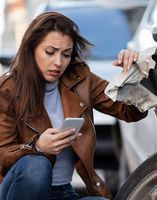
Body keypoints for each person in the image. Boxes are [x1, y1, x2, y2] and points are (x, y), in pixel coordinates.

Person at [0, 12, 147, 200]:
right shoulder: (7, 89)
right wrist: (37, 147)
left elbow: (130, 113)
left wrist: (133, 74)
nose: (58, 63)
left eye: (66, 54)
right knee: (37, 165)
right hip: (19, 191)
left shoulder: (80, 78)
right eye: (50, 52)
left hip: (63, 192)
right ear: (31, 49)